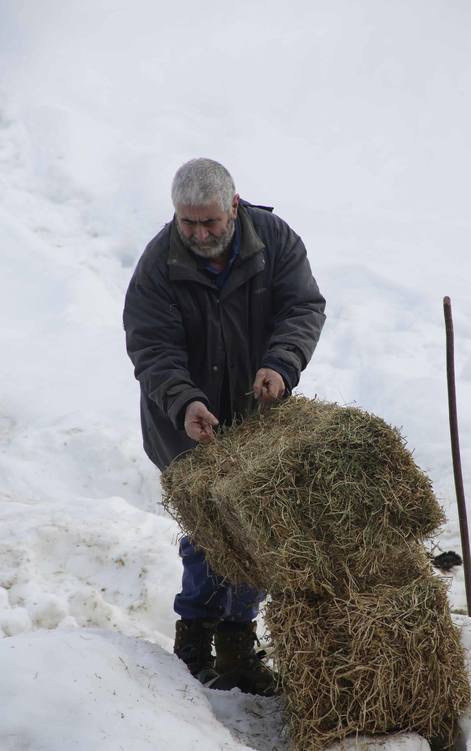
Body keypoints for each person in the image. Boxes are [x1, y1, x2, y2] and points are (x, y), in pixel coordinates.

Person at [123, 158, 326, 696]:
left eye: (209, 222)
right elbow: (152, 347)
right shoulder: (158, 263)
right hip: (184, 422)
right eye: (188, 223)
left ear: (233, 207)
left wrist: (281, 364)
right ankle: (193, 644)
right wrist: (184, 400)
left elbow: (303, 308)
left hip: (257, 414)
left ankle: (237, 644)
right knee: (208, 530)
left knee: (256, 526)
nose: (199, 233)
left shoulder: (276, 241)